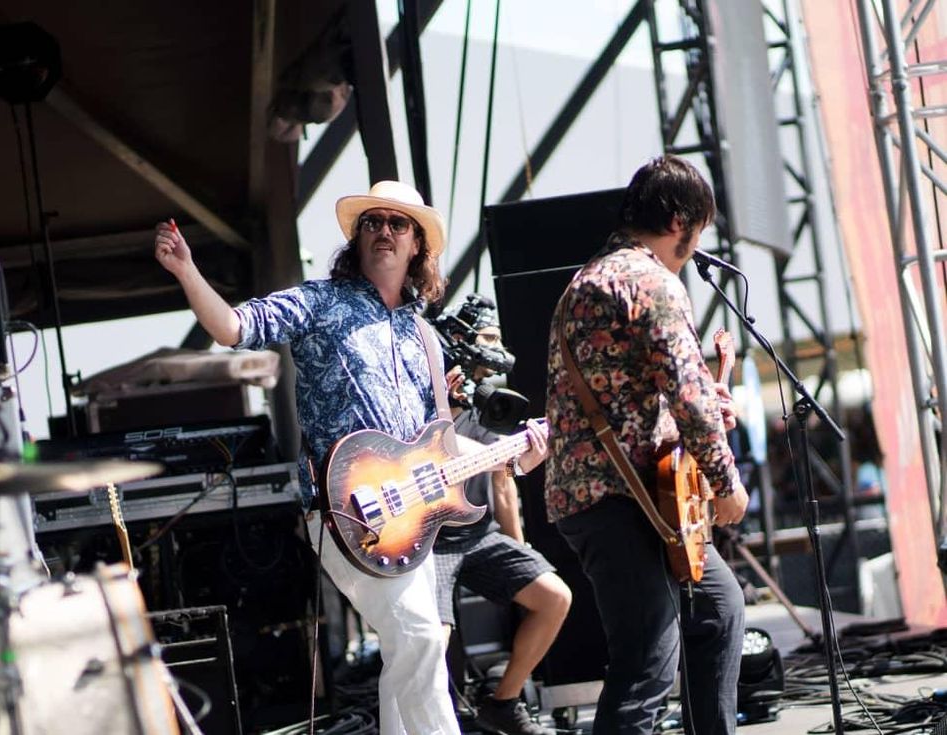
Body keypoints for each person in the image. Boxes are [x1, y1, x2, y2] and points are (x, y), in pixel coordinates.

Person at [154, 180, 545, 735]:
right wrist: (187, 271)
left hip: (409, 515)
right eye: (373, 222)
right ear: (358, 238)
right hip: (342, 510)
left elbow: (440, 443)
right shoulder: (318, 302)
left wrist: (510, 454)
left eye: (398, 223)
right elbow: (233, 328)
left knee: (416, 643)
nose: (384, 231)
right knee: (417, 635)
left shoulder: (423, 337)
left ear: (417, 247)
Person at [545, 156, 750, 735]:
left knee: (718, 609)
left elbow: (637, 394)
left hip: (618, 497)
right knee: (646, 665)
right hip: (620, 501)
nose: (696, 245)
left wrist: (708, 407)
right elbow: (686, 397)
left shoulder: (586, 281)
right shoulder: (653, 282)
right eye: (699, 229)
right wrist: (726, 484)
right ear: (681, 218)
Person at [433, 305, 571, 735]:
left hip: (477, 535)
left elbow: (503, 481)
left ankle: (503, 702)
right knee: (431, 642)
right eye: (487, 338)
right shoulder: (429, 389)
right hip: (427, 539)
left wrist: (519, 551)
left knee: (554, 597)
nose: (494, 349)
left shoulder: (492, 400)